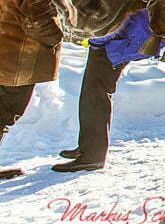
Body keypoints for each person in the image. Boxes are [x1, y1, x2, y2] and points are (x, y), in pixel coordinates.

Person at [0, 0, 79, 180]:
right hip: (19, 59)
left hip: (5, 48)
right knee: (6, 111)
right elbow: (38, 21)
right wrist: (62, 35)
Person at [52, 9, 159, 172]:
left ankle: (92, 156)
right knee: (91, 95)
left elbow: (117, 21)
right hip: (113, 44)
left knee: (96, 97)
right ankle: (87, 147)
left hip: (115, 45)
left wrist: (98, 39)